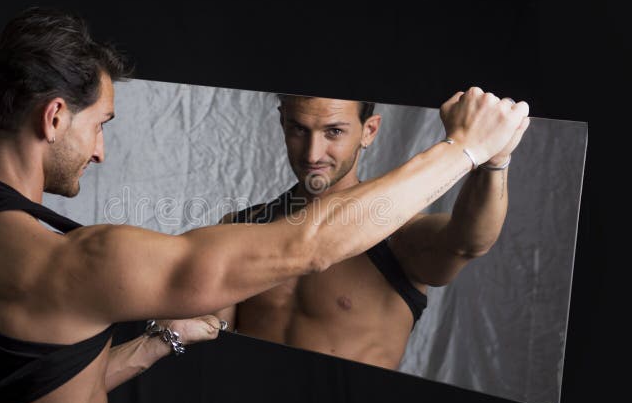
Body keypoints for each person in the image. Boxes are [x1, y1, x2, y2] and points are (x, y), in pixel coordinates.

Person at [0, 6, 528, 403]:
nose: (101, 149)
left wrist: (161, 340)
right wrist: (466, 149)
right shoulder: (73, 260)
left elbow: (19, 401)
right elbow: (307, 244)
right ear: (54, 118)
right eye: (100, 124)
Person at [215, 94, 529, 370]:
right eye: (299, 128)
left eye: (333, 131)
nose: (312, 154)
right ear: (283, 122)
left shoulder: (399, 238)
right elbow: (211, 338)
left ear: (370, 131)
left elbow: (467, 243)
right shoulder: (243, 226)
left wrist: (495, 162)